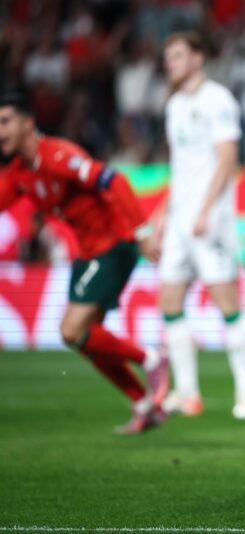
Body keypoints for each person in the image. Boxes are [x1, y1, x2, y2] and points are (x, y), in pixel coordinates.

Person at [0, 93, 170, 434]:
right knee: (86, 341)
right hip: (88, 252)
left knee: (71, 330)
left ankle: (151, 358)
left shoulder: (58, 155)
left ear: (28, 123)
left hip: (114, 244)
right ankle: (143, 404)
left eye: (5, 122)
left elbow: (116, 180)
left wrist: (143, 232)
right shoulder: (19, 172)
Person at [153, 31, 245, 420]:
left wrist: (205, 210)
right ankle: (187, 394)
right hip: (179, 219)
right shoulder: (175, 105)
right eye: (168, 57)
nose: (171, 63)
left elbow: (227, 158)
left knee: (225, 302)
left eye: (178, 55)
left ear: (198, 58)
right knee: (169, 301)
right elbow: (181, 167)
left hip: (211, 219)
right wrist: (163, 212)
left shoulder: (218, 100)